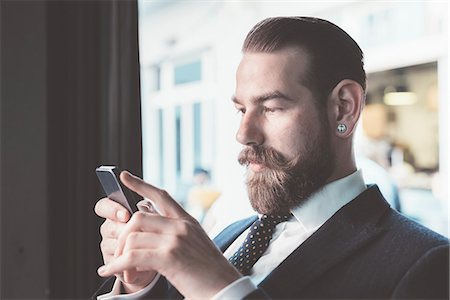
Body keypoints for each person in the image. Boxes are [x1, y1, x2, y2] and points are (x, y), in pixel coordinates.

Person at [93, 17, 449, 299]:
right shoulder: (232, 235)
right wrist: (142, 286)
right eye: (241, 109)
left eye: (272, 107)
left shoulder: (428, 263)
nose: (244, 134)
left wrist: (219, 287)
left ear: (344, 107)